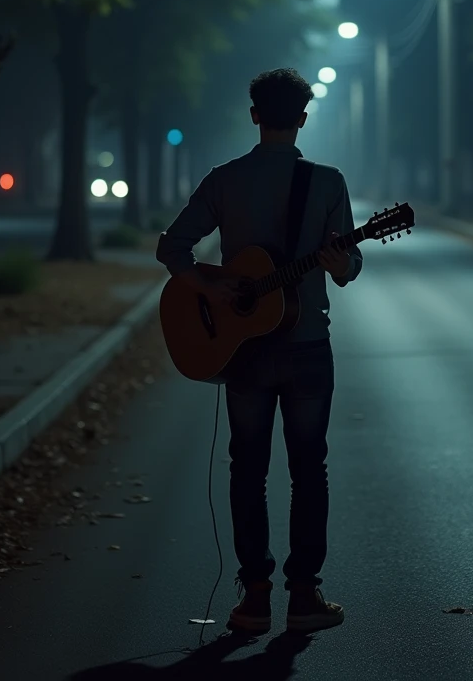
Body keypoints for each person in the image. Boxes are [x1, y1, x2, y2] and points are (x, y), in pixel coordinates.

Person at [156, 67, 363, 634]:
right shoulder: (328, 181)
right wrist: (339, 259)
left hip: (242, 353)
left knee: (246, 469)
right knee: (308, 470)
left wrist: (207, 286)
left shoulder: (224, 180)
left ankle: (253, 599)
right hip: (305, 349)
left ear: (254, 116)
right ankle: (304, 597)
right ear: (301, 118)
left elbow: (171, 246)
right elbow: (347, 272)